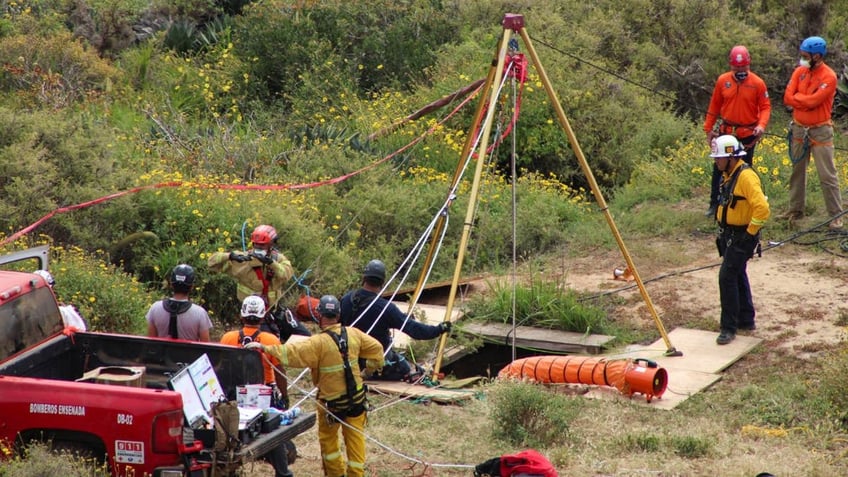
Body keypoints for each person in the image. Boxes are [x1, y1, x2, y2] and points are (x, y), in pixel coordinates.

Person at [245, 295, 385, 477]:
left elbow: (290, 353)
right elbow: (377, 350)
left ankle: (336, 474)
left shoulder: (317, 343)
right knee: (356, 442)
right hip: (357, 401)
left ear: (319, 316)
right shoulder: (354, 334)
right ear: (338, 315)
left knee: (329, 444)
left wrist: (264, 348)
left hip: (331, 405)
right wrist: (369, 370)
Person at [340, 259, 451, 382]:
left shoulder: (346, 299)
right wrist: (438, 329)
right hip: (375, 364)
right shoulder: (385, 308)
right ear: (382, 282)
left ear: (364, 278)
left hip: (349, 361)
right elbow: (415, 330)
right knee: (404, 367)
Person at [220, 295, 294, 477]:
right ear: (262, 317)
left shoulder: (228, 338)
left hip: (233, 395)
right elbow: (279, 372)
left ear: (241, 315)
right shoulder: (270, 340)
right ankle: (282, 472)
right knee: (274, 433)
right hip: (263, 395)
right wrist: (284, 396)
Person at [711, 135, 770, 345]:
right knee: (736, 273)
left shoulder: (745, 177)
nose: (716, 162)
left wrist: (750, 232)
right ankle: (746, 319)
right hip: (730, 235)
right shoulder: (730, 174)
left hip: (741, 236)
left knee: (726, 277)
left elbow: (762, 208)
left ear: (732, 157)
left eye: (719, 158)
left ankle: (729, 327)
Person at [208, 224, 311, 341]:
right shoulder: (242, 260)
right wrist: (229, 256)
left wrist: (271, 263)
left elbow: (286, 274)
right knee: (268, 342)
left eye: (262, 245)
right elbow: (211, 262)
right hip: (253, 316)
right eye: (256, 245)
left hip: (275, 311)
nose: (258, 248)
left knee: (305, 337)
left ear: (271, 244)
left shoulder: (278, 259)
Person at [782, 36, 844, 229]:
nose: (802, 58)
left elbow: (813, 102)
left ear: (817, 56)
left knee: (827, 174)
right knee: (797, 171)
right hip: (799, 128)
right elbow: (787, 97)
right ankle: (795, 210)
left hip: (820, 131)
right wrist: (801, 99)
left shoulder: (829, 77)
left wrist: (798, 99)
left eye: (805, 55)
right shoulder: (799, 72)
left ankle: (836, 215)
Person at [703, 45, 771, 218]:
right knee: (719, 168)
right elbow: (714, 106)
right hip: (726, 133)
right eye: (736, 67)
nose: (740, 70)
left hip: (747, 135)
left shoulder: (757, 83)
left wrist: (761, 125)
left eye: (743, 67)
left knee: (744, 170)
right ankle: (715, 204)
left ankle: (744, 203)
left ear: (748, 65)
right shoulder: (722, 81)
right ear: (731, 66)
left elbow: (765, 107)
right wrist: (708, 129)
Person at [146, 264, 212, 341]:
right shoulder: (200, 313)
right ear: (191, 287)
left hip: (162, 353)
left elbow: (151, 341)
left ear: (171, 285)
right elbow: (206, 346)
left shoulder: (155, 308)